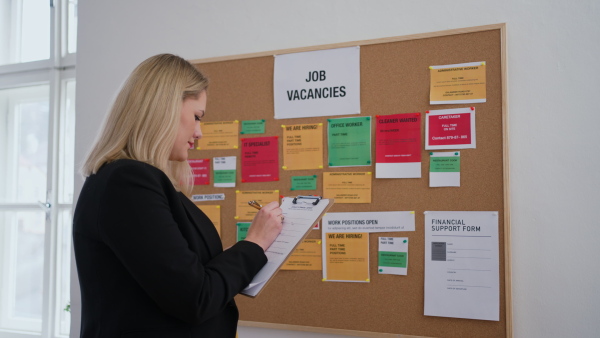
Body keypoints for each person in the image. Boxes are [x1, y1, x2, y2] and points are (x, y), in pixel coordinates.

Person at [73, 53, 283, 338]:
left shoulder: (142, 182)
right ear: (164, 108)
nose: (199, 133)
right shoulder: (127, 183)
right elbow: (195, 297)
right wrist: (255, 242)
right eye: (197, 117)